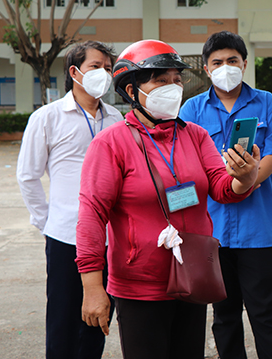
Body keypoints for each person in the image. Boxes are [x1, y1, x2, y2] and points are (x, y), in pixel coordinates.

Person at [76, 39, 261, 359]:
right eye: (160, 81)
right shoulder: (111, 143)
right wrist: (92, 286)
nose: (173, 88)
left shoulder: (195, 135)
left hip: (192, 276)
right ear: (132, 91)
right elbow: (92, 214)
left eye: (177, 80)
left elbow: (221, 188)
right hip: (140, 287)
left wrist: (245, 178)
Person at [179, 31, 272, 359]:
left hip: (259, 232)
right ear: (205, 68)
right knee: (224, 316)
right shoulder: (191, 109)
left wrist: (247, 180)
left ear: (244, 64)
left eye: (232, 60)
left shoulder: (266, 102)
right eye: (217, 62)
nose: (225, 67)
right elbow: (185, 162)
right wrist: (225, 185)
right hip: (211, 233)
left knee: (266, 313)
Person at [16, 41, 123, 359]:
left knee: (98, 320)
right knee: (63, 320)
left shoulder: (116, 118)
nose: (103, 73)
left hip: (109, 239)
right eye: (96, 66)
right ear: (75, 71)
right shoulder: (48, 118)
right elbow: (28, 176)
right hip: (66, 236)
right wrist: (46, 221)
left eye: (108, 68)